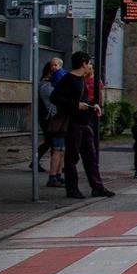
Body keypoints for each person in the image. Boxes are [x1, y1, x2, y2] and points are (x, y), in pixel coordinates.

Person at [50, 51, 113, 199]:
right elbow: (55, 97)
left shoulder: (81, 80)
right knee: (72, 158)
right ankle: (72, 189)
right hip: (73, 124)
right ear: (83, 63)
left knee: (91, 157)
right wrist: (75, 105)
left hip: (85, 123)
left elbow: (84, 100)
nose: (90, 66)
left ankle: (97, 187)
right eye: (89, 63)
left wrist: (93, 106)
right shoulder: (69, 79)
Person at [38, 60, 66, 187]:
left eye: (57, 68)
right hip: (54, 119)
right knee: (57, 148)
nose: (55, 71)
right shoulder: (45, 85)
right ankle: (53, 176)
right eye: (52, 69)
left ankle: (58, 175)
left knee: (61, 149)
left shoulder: (53, 83)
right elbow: (57, 96)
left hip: (60, 118)